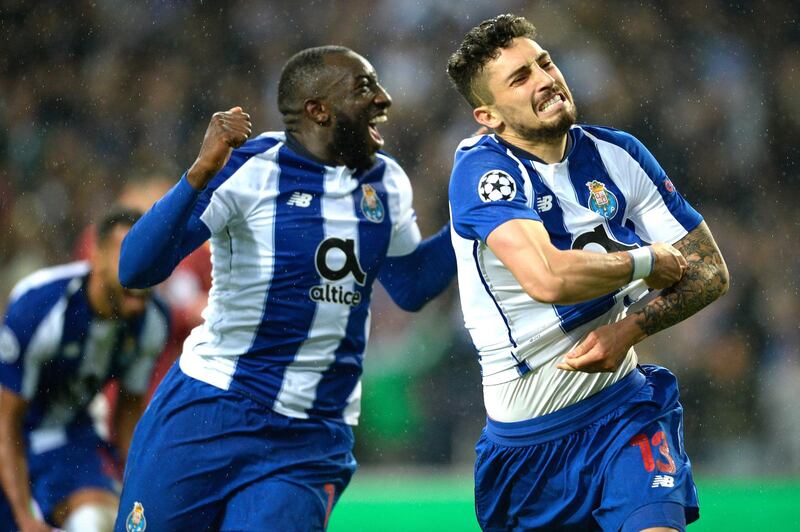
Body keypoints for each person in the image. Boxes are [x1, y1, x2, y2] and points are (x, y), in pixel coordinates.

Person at [113, 45, 456, 531]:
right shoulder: (249, 167)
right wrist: (199, 172)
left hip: (307, 440)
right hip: (209, 411)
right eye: (364, 89)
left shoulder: (387, 182)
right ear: (318, 110)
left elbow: (412, 284)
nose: (384, 98)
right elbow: (136, 268)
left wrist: (471, 221)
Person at [446, 14, 730, 532]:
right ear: (488, 116)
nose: (545, 79)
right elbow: (548, 279)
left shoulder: (617, 154)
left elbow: (710, 270)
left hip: (625, 411)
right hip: (527, 449)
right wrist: (648, 260)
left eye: (544, 62)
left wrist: (629, 331)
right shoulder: (483, 172)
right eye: (521, 78)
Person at [0, 208, 169, 532]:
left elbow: (128, 411)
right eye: (129, 258)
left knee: (94, 523)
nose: (140, 273)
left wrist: (139, 488)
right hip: (12, 436)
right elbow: (7, 420)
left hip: (70, 440)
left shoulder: (152, 320)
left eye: (150, 256)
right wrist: (24, 517)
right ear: (97, 255)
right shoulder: (40, 307)